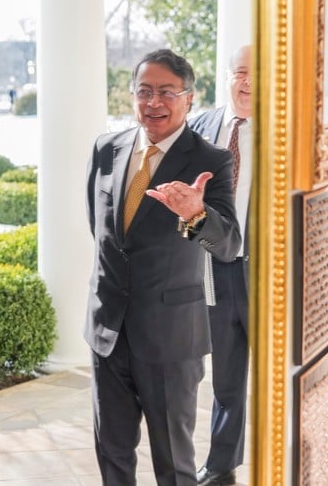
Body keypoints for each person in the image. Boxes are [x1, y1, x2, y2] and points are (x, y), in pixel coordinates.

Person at [84, 49, 241, 484]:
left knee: (174, 463)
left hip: (171, 338)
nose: (154, 102)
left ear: (189, 98)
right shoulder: (106, 148)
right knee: (111, 454)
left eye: (167, 92)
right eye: (144, 91)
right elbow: (100, 231)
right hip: (107, 331)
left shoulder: (211, 160)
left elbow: (228, 244)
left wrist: (195, 214)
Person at [189, 45, 253, 486]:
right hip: (213, 269)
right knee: (227, 376)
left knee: (280, 375)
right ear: (228, 75)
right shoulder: (201, 126)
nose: (249, 82)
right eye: (242, 71)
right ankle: (221, 467)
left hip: (269, 274)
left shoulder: (289, 129)